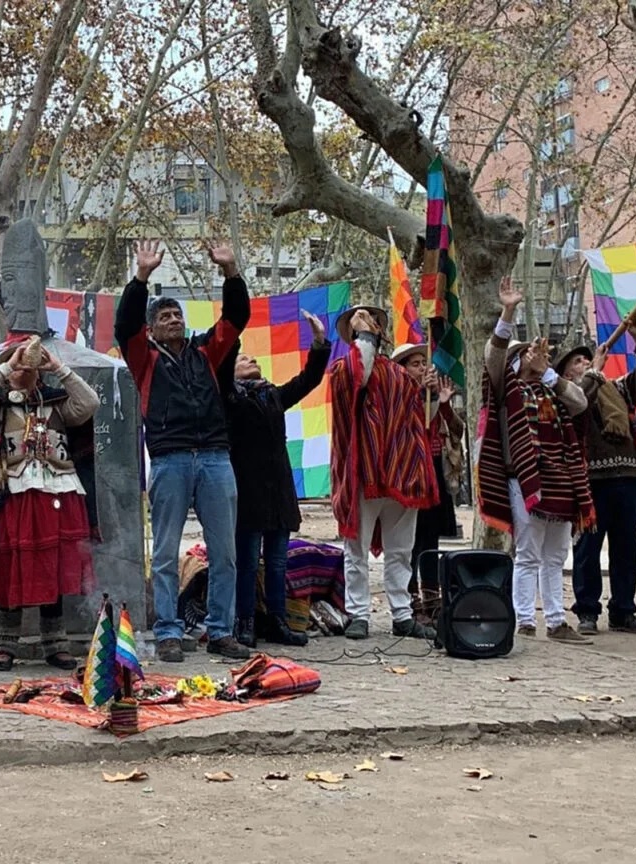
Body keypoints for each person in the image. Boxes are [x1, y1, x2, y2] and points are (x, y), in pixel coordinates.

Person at [115, 239, 252, 662]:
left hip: (215, 457)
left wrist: (230, 269)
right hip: (170, 459)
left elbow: (237, 316)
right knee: (165, 552)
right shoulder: (143, 358)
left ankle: (221, 631)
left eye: (177, 315)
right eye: (164, 317)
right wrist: (141, 276)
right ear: (152, 329)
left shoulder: (207, 352)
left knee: (224, 551)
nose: (173, 320)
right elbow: (124, 325)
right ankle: (169, 631)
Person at [0, 339, 99, 671]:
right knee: (9, 566)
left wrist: (59, 369)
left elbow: (89, 403)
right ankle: (4, 644)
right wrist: (9, 366)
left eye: (28, 366)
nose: (23, 370)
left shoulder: (58, 403)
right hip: (6, 492)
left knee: (53, 565)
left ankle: (56, 643)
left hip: (55, 491)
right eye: (17, 365)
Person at [474, 279, 593, 644]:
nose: (531, 355)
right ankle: (525, 619)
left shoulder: (551, 389)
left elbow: (580, 403)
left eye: (534, 353)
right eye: (523, 353)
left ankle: (556, 621)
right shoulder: (504, 388)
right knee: (527, 552)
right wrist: (508, 311)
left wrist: (549, 374)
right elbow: (492, 355)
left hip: (560, 481)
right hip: (523, 480)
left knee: (556, 555)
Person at [326, 305, 439, 641]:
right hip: (364, 472)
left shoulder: (401, 375)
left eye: (369, 318)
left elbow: (419, 424)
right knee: (356, 550)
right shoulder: (344, 368)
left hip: (403, 472)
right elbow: (359, 374)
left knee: (401, 551)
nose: (364, 322)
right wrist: (364, 339)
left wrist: (429, 395)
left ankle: (402, 614)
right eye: (357, 320)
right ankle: (357, 614)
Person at [225, 312, 329, 647]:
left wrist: (318, 343)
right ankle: (244, 622)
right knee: (246, 562)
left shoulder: (272, 396)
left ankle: (278, 622)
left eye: (253, 357)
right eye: (243, 358)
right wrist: (232, 339)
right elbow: (221, 364)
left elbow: (309, 379)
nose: (251, 359)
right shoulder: (228, 397)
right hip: (249, 491)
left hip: (279, 491)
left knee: (277, 563)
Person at [554, 318, 636, 636]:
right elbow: (579, 402)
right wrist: (594, 373)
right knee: (588, 547)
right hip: (591, 481)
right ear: (566, 372)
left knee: (626, 547)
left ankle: (623, 610)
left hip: (626, 476)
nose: (585, 363)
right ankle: (587, 611)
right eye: (578, 362)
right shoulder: (566, 394)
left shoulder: (617, 390)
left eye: (587, 358)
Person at [389, 344, 464, 624]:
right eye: (415, 364)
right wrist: (423, 396)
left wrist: (443, 403)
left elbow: (457, 429)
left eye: (424, 363)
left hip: (432, 470)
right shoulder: (398, 394)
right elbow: (412, 423)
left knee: (430, 538)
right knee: (409, 541)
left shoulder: (434, 396)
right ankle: (409, 602)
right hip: (408, 470)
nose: (422, 368)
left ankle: (432, 601)